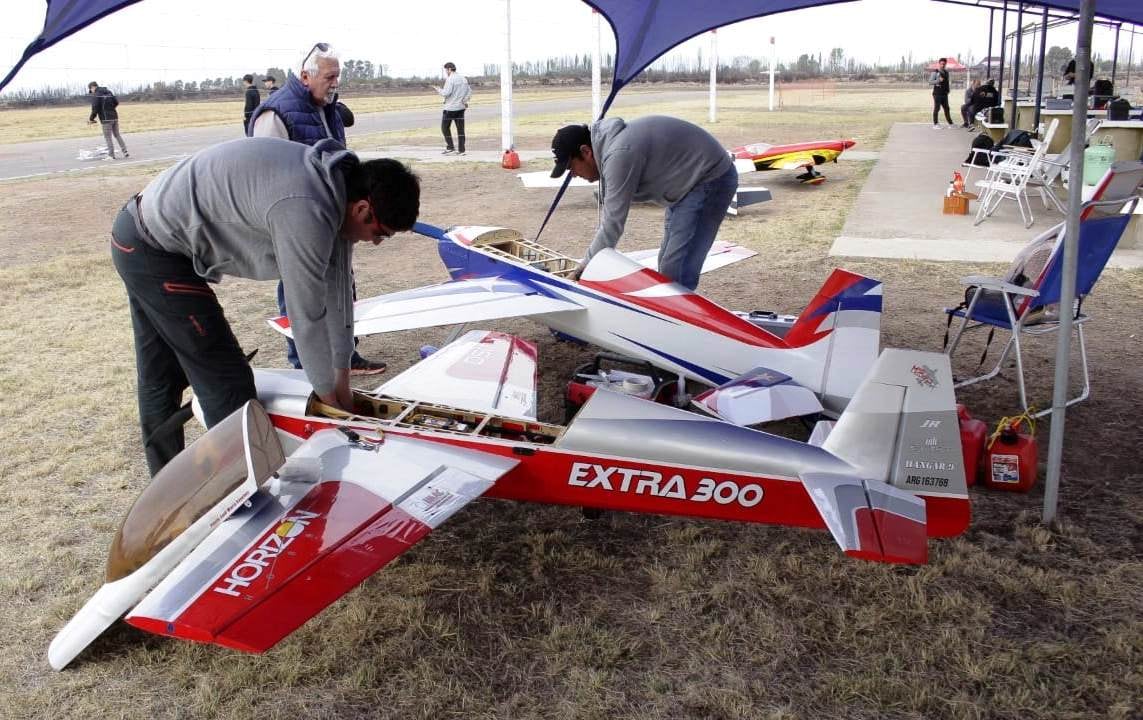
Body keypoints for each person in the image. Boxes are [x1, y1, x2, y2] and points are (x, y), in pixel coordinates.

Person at [110, 137, 420, 475]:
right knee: (226, 385)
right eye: (381, 233)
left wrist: (342, 382)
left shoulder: (338, 189)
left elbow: (339, 292)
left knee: (160, 376)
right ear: (362, 209)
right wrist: (329, 405)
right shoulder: (306, 209)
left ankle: (166, 481)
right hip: (152, 248)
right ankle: (245, 491)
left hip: (143, 233)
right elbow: (306, 317)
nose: (375, 242)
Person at [249, 43, 387, 375]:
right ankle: (303, 365)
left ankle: (345, 356)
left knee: (342, 285)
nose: (335, 82)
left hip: (334, 217)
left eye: (338, 76)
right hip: (297, 224)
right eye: (330, 76)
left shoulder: (328, 108)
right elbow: (265, 173)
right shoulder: (275, 114)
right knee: (299, 291)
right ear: (305, 76)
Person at [550, 117, 738, 291]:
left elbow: (612, 224)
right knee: (667, 264)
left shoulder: (618, 154)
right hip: (687, 184)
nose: (573, 174)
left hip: (710, 178)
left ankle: (674, 324)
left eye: (571, 167)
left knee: (676, 271)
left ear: (586, 152)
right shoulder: (612, 148)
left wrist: (582, 270)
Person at [434, 62, 471, 155]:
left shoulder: (450, 79)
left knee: (444, 128)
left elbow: (446, 93)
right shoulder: (463, 79)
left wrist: (438, 89)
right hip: (461, 108)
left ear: (449, 69)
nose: (446, 72)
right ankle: (462, 150)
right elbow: (469, 91)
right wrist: (465, 101)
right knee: (461, 130)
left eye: (446, 70)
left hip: (450, 109)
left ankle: (450, 147)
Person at [87, 81, 129, 159]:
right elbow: (116, 102)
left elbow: (95, 108)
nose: (91, 92)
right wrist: (110, 109)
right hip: (114, 117)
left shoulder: (96, 95)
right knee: (117, 135)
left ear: (93, 87)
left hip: (106, 119)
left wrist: (91, 119)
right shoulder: (109, 92)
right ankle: (125, 151)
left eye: (91, 90)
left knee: (108, 137)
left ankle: (111, 155)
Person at [930, 58, 954, 129]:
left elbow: (947, 82)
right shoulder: (935, 72)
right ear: (939, 64)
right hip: (937, 94)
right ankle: (935, 124)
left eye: (944, 64)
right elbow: (930, 82)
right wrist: (938, 80)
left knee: (947, 108)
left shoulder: (946, 72)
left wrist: (948, 90)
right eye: (941, 64)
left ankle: (950, 124)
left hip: (944, 94)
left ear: (945, 64)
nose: (943, 65)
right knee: (937, 108)